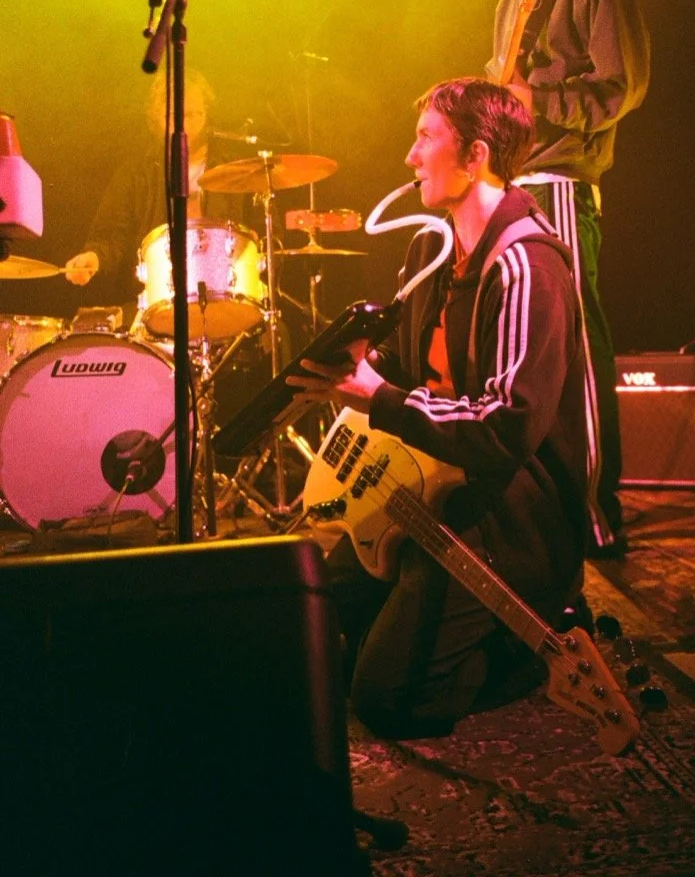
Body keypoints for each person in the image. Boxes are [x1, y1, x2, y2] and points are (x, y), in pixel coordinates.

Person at [288, 78, 589, 739]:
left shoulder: (525, 265)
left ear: (476, 155)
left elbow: (506, 426)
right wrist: (353, 373)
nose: (410, 156)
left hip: (505, 520)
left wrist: (381, 398)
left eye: (425, 138)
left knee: (387, 700)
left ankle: (526, 646)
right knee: (312, 645)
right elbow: (406, 369)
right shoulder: (431, 247)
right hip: (431, 489)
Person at [473, 0, 650, 557]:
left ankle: (591, 509)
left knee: (574, 346)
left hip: (563, 181)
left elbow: (622, 85)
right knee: (527, 351)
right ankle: (539, 503)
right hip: (515, 184)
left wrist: (534, 100)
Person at [64, 69, 258, 327]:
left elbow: (262, 238)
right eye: (173, 116)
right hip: (158, 300)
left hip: (227, 296)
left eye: (192, 114)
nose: (183, 124)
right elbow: (111, 236)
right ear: (156, 118)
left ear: (206, 113)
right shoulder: (137, 173)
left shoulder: (237, 169)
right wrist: (94, 257)